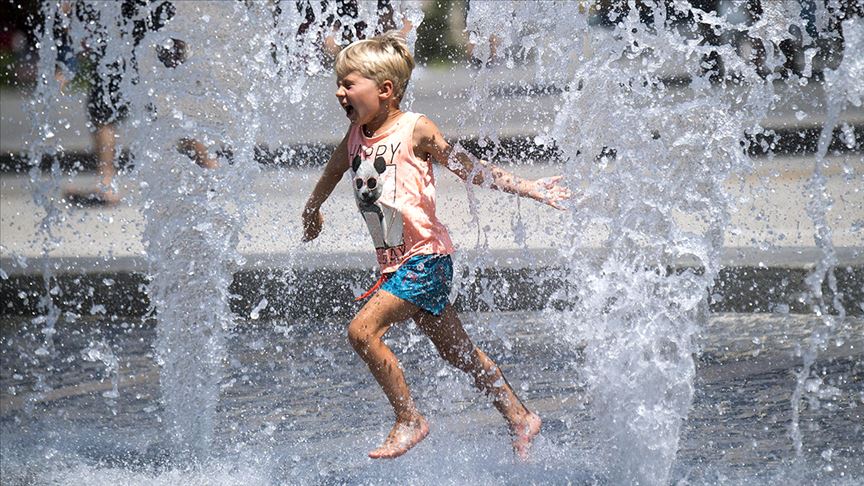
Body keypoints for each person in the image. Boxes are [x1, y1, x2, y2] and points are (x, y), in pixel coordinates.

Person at [300, 31, 570, 460]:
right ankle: (520, 416)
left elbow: (468, 167)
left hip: (425, 259)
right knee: (457, 352)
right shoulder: (355, 135)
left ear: (385, 90)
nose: (339, 92)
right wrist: (312, 209)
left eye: (348, 84)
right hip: (397, 266)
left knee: (362, 331)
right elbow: (334, 170)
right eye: (339, 84)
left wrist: (529, 187)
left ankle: (409, 419)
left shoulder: (415, 128)